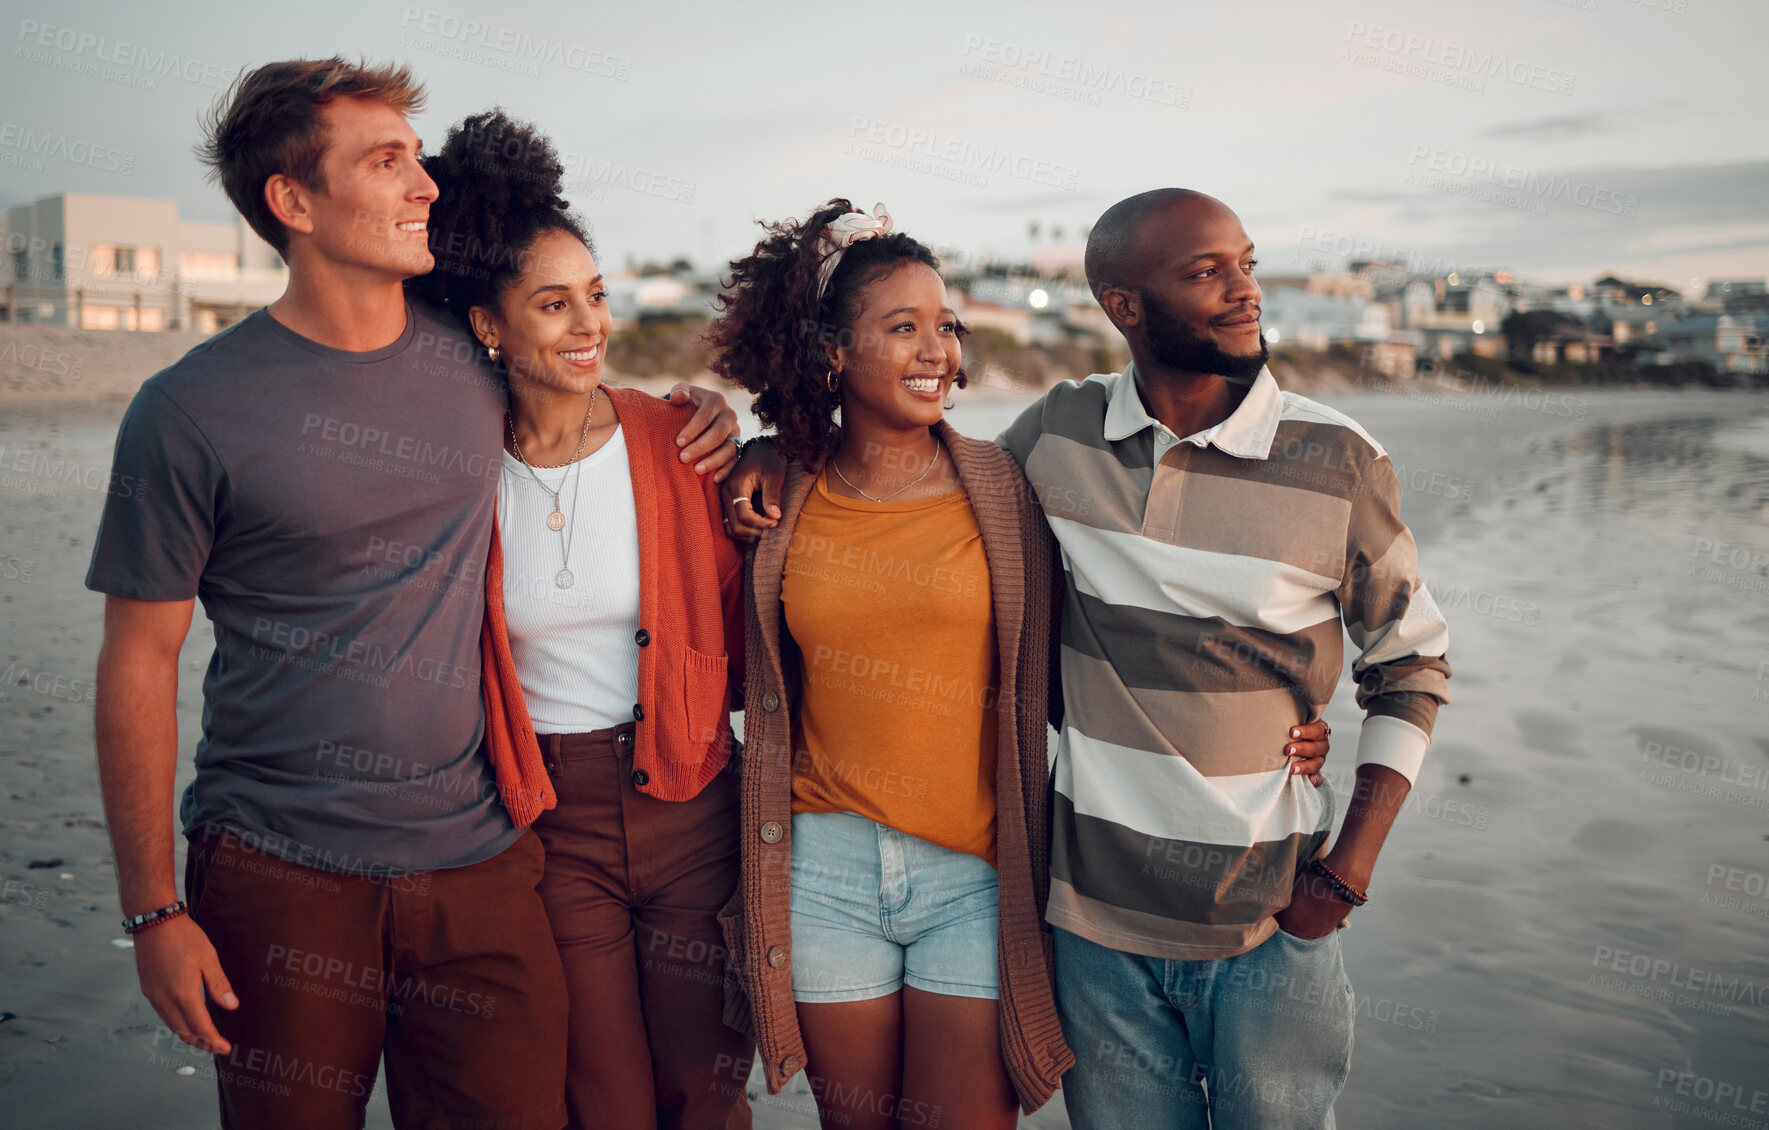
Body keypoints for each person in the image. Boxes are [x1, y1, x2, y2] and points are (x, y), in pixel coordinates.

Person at [85, 60, 738, 1130]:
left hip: (482, 856)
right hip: (281, 864)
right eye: (385, 161)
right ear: (292, 203)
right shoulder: (187, 411)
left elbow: (577, 390)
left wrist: (708, 421)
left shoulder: (472, 367)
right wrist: (154, 907)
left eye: (418, 159)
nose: (422, 184)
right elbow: (138, 659)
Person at [721, 188, 1444, 1129]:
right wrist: (767, 445)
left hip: (1257, 913)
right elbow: (884, 492)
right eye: (1204, 271)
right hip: (1088, 916)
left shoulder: (1330, 457)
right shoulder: (1056, 441)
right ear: (1122, 304)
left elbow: (1410, 663)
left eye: (1246, 265)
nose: (1243, 292)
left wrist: (1343, 872)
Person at [415, 108, 752, 1130]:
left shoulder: (675, 440)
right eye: (552, 304)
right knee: (600, 1097)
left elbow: (753, 603)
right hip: (547, 818)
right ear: (487, 325)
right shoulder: (455, 470)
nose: (587, 325)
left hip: (692, 800)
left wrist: (761, 450)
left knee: (704, 1094)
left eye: (595, 298)